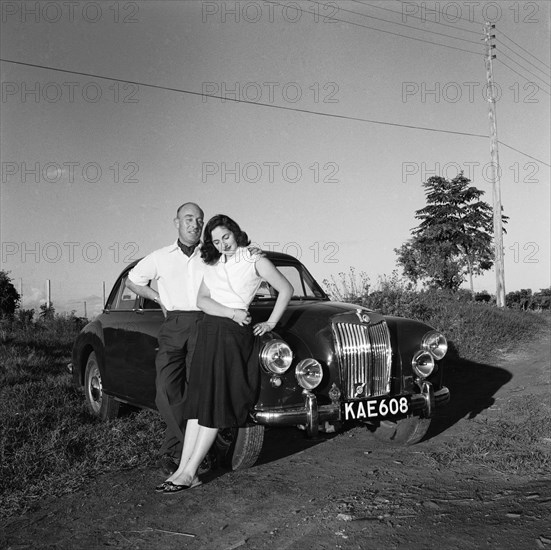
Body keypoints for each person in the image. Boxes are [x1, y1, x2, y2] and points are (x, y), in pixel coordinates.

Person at [158, 214, 293, 493]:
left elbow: (286, 289)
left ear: (236, 232)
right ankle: (183, 470)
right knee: (198, 404)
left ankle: (190, 472)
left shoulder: (256, 259)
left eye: (226, 237)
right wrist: (231, 312)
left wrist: (271, 322)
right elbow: (201, 301)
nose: (223, 245)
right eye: (216, 241)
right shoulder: (213, 262)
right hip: (210, 331)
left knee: (213, 404)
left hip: (233, 336)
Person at [126, 202, 205, 476]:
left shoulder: (213, 255)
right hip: (173, 324)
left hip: (205, 323)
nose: (194, 224)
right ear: (177, 222)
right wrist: (157, 297)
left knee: (196, 391)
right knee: (166, 391)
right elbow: (132, 281)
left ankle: (174, 451)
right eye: (188, 218)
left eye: (199, 220)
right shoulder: (160, 256)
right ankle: (201, 451)